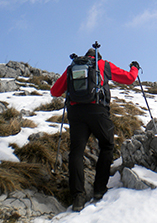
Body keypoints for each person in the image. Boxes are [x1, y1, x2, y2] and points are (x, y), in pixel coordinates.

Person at [50, 47, 140, 211]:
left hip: (76, 113)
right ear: (98, 56)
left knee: (76, 152)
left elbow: (55, 92)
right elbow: (129, 79)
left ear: (86, 57)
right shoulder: (103, 65)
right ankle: (99, 189)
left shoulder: (72, 68)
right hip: (97, 111)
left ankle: (78, 196)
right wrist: (135, 68)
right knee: (107, 145)